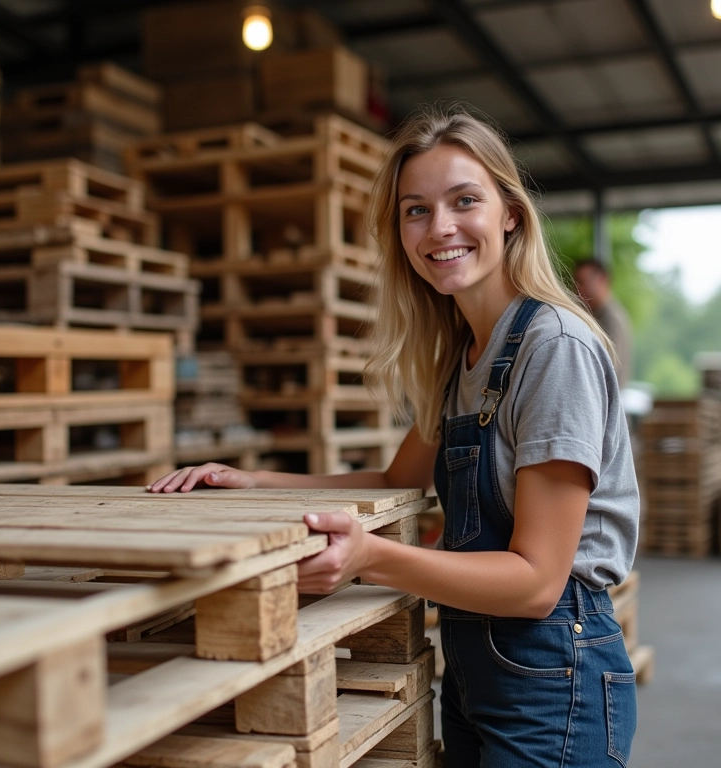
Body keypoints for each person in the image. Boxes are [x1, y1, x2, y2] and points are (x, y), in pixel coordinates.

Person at [148, 103, 640, 767]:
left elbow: (536, 582)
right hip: (479, 670)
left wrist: (370, 558)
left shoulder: (553, 349)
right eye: (416, 210)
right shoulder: (464, 357)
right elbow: (394, 482)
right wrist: (253, 481)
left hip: (557, 672)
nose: (440, 228)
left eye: (464, 201)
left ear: (510, 214)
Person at [573, 258, 633, 387]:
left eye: (583, 282)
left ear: (602, 279)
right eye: (576, 283)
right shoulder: (598, 315)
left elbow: (606, 369)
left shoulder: (611, 319)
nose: (578, 289)